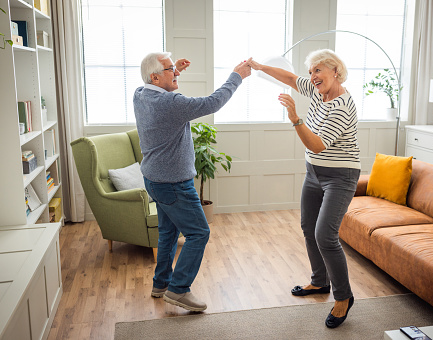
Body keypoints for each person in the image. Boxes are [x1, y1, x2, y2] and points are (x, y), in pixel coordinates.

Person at [247, 49, 360, 328]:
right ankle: (319, 282)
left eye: (318, 70)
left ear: (336, 70)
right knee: (308, 227)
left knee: (325, 235)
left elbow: (317, 144)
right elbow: (289, 77)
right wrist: (260, 67)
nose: (312, 77)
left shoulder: (342, 106)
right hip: (314, 172)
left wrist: (295, 118)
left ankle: (343, 297)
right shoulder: (318, 90)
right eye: (311, 72)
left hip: (340, 176)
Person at [133, 52, 251, 312]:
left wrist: (174, 74)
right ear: (155, 77)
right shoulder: (171, 103)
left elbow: (163, 94)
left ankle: (161, 284)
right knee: (199, 233)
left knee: (168, 233)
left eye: (174, 68)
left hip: (153, 178)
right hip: (174, 183)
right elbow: (213, 102)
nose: (175, 72)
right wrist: (237, 76)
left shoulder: (140, 94)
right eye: (170, 69)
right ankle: (178, 289)